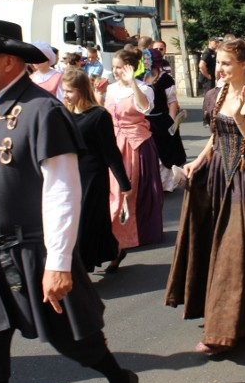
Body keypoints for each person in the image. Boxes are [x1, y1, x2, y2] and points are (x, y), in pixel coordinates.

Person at [0, 20, 138, 383]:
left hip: (34, 252)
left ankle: (120, 380)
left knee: (73, 341)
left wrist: (59, 262)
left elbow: (62, 191)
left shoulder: (44, 111)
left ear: (9, 61)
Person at [165, 38, 245, 355]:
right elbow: (216, 137)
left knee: (236, 250)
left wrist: (242, 117)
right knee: (232, 246)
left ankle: (223, 331)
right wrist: (198, 161)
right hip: (217, 175)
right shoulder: (214, 95)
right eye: (218, 62)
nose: (220, 68)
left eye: (227, 63)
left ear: (244, 64)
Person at [62, 69, 130, 274]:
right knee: (83, 222)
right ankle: (116, 250)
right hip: (70, 175)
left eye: (69, 91)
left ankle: (79, 271)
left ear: (81, 90)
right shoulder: (64, 113)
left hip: (93, 176)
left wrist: (124, 183)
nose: (65, 95)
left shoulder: (99, 115)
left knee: (85, 223)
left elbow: (111, 152)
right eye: (64, 91)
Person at [104, 48, 164, 272]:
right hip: (113, 144)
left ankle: (127, 237)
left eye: (121, 67)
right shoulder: (110, 89)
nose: (117, 71)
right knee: (112, 192)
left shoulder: (145, 88)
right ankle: (113, 237)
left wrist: (133, 84)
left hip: (135, 145)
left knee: (129, 192)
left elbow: (145, 108)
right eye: (116, 67)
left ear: (130, 67)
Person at [144, 49, 187, 193]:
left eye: (147, 59)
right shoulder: (140, 77)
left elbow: (172, 101)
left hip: (161, 120)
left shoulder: (166, 79)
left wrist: (171, 121)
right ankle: (150, 184)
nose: (144, 62)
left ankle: (164, 184)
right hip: (144, 121)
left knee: (163, 154)